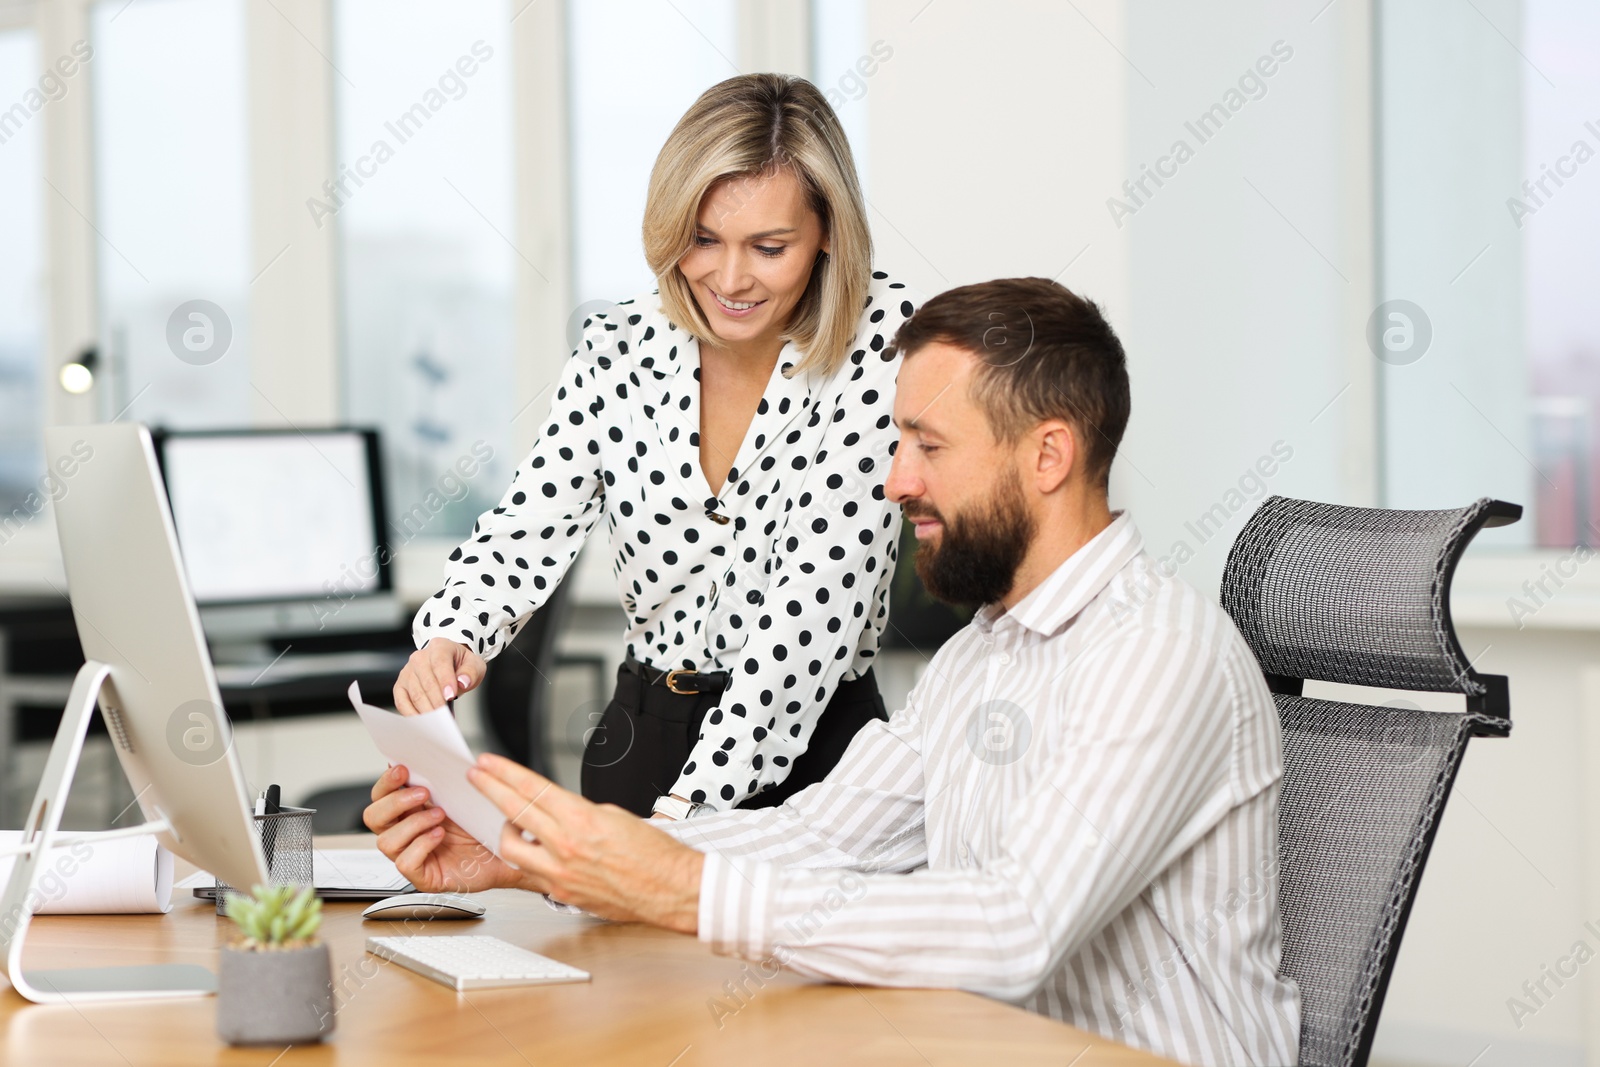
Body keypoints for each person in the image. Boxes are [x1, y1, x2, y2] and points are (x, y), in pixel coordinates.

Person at [365, 278, 1301, 1067]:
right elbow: (824, 836)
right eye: (900, 443)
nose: (895, 481)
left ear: (1048, 453)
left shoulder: (1156, 651)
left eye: (928, 446)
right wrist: (533, 856)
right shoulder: (985, 653)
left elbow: (1016, 926)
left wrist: (682, 890)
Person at [392, 73, 917, 819]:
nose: (729, 279)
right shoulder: (622, 345)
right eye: (703, 240)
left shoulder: (885, 345)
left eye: (769, 247)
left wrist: (678, 826)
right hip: (640, 740)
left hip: (815, 757)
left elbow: (805, 632)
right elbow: (529, 522)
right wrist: (455, 630)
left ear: (829, 229)